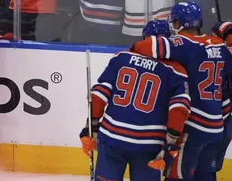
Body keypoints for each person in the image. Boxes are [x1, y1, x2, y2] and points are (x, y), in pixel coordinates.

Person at [130, 2, 232, 180]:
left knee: (177, 175)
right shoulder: (218, 44)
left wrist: (131, 52)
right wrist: (230, 32)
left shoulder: (183, 43)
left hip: (193, 126)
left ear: (179, 24)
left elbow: (145, 46)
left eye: (175, 22)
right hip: (217, 127)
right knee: (205, 175)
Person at [81, 19, 191, 180]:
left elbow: (98, 95)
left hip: (112, 137)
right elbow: (180, 109)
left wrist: (90, 127)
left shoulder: (121, 58)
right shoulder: (177, 71)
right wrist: (170, 145)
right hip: (149, 144)